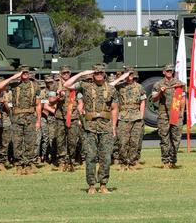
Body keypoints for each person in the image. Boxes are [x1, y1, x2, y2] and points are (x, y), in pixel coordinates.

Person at [64, 64, 119, 194]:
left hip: (105, 126)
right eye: (96, 73)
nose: (98, 75)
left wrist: (113, 127)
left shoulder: (111, 89)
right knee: (90, 156)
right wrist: (82, 73)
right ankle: (91, 185)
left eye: (101, 72)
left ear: (104, 74)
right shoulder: (85, 85)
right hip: (90, 127)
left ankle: (103, 184)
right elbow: (67, 85)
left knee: (106, 157)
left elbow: (115, 109)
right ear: (93, 74)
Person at [0, 66, 41, 174]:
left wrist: (39, 120)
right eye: (23, 72)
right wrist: (14, 77)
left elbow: (38, 104)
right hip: (17, 117)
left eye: (27, 72)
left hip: (30, 117)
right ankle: (19, 165)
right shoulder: (14, 85)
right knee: (17, 143)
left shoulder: (35, 86)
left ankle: (29, 164)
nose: (25, 74)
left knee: (30, 142)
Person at [151, 63, 185, 168]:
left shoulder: (178, 84)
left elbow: (183, 99)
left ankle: (173, 160)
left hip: (176, 113)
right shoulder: (158, 84)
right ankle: (165, 161)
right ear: (164, 72)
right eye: (167, 71)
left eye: (171, 71)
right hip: (163, 115)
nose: (169, 72)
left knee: (176, 138)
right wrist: (160, 92)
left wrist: (182, 113)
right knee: (164, 138)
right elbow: (154, 99)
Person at [48, 66, 81, 172]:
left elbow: (80, 100)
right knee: (60, 140)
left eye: (67, 72)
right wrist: (58, 97)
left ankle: (71, 160)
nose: (65, 74)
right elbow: (50, 101)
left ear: (70, 73)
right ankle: (62, 161)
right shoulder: (54, 85)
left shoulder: (75, 85)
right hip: (60, 117)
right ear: (60, 74)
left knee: (72, 140)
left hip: (73, 117)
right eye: (63, 73)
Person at [115, 67, 145, 170]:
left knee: (134, 142)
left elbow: (142, 101)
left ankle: (132, 163)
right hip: (123, 116)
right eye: (127, 74)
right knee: (123, 142)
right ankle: (123, 163)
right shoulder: (119, 87)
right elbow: (110, 86)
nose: (129, 77)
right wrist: (120, 78)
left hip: (136, 117)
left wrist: (141, 115)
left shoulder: (139, 87)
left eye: (131, 74)